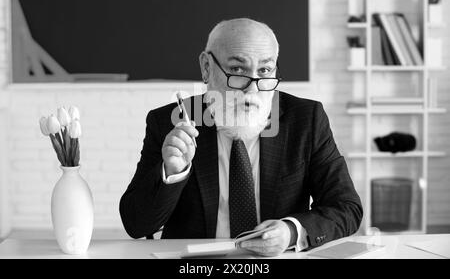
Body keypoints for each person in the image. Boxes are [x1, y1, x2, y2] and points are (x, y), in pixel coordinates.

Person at [120, 18, 363, 257]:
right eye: (237, 70)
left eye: (265, 70)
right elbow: (136, 224)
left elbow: (346, 208)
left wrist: (291, 232)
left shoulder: (306, 119)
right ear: (206, 67)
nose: (253, 89)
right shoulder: (169, 122)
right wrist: (173, 172)